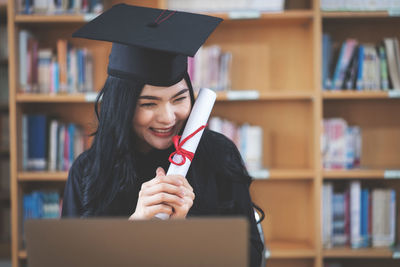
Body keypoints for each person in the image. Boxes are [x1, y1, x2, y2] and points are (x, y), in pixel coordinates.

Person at [61, 3, 264, 266]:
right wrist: (137, 225)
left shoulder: (219, 155)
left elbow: (251, 256)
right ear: (123, 107)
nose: (168, 117)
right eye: (148, 103)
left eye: (179, 99)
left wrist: (183, 229)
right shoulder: (88, 171)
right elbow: (69, 259)